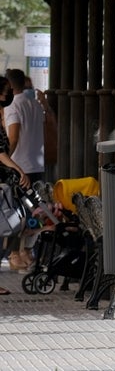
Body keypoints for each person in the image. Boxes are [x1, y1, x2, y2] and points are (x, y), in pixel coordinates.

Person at [4, 69, 43, 272]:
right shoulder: (35, 104)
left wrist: (6, 160)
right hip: (37, 165)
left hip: (21, 169)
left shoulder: (12, 105)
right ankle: (27, 252)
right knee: (35, 212)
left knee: (15, 215)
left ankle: (14, 254)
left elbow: (14, 137)